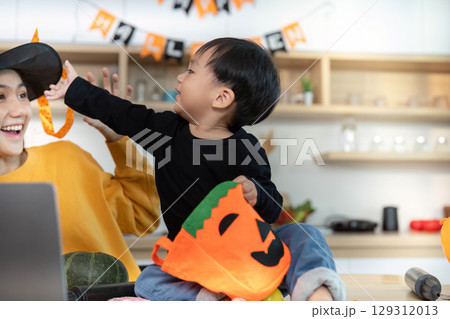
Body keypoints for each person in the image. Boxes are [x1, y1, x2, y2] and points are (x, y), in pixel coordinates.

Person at [45, 37, 345, 301]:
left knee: (304, 233)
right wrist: (75, 89)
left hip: (246, 257)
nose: (179, 78)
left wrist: (255, 193)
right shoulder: (166, 132)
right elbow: (122, 112)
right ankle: (213, 297)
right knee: (148, 281)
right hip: (191, 259)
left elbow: (272, 206)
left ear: (221, 98)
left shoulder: (247, 148)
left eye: (190, 71)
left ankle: (316, 293)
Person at [0, 42, 161, 281]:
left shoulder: (68, 158)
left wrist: (120, 137)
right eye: (0, 97)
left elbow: (144, 218)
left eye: (22, 95)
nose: (19, 110)